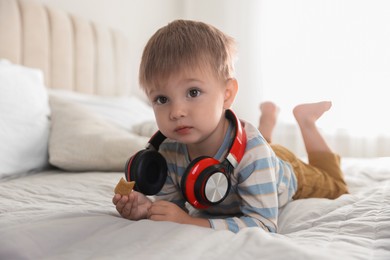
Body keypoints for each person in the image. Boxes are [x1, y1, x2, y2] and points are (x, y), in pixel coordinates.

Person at [112, 19, 348, 233]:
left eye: (193, 92)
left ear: (227, 94)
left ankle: (305, 120)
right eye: (162, 99)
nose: (176, 112)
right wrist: (146, 209)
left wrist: (191, 223)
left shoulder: (255, 155)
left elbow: (264, 224)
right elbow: (172, 210)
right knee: (260, 148)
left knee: (336, 185)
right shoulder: (169, 152)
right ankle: (267, 121)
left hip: (280, 167)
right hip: (250, 147)